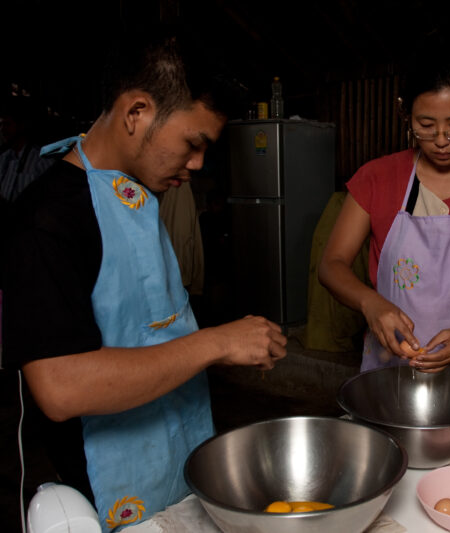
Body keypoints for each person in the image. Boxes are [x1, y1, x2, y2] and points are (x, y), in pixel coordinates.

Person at [2, 29, 287, 531]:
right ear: (137, 112)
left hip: (178, 462)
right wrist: (217, 342)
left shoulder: (134, 193)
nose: (197, 164)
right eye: (193, 144)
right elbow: (60, 387)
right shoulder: (46, 220)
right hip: (106, 493)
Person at [318, 52, 450, 432]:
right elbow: (331, 265)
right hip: (394, 367)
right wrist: (370, 303)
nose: (441, 140)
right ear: (406, 115)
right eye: (426, 125)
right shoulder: (377, 178)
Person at [0, 96, 56, 203]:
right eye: (1, 124)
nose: (2, 130)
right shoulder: (3, 158)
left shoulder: (43, 161)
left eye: (7, 124)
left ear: (22, 126)